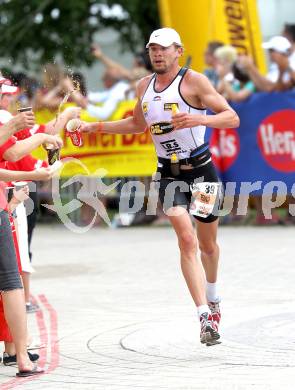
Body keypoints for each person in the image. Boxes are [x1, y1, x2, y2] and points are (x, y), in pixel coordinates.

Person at [80, 27, 240, 345]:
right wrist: (94, 126)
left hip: (201, 171)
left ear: (177, 50)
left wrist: (200, 119)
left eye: (163, 48)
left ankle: (214, 297)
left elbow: (231, 117)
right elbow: (137, 125)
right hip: (167, 172)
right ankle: (203, 317)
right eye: (153, 48)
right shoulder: (144, 85)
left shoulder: (194, 82)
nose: (157, 53)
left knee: (208, 245)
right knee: (185, 239)